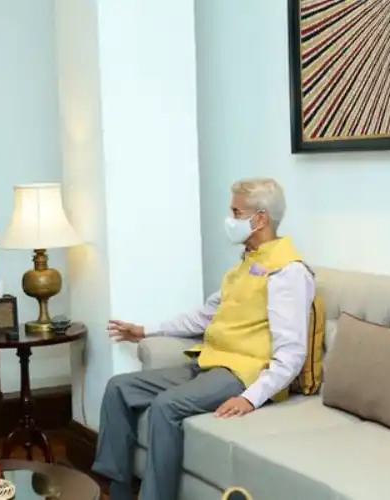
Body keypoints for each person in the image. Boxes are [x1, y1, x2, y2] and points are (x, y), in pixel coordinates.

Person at [92, 178, 316, 500]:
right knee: (119, 388)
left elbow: (292, 355)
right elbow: (204, 316)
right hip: (209, 360)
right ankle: (117, 491)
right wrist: (145, 329)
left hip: (242, 373)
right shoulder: (247, 263)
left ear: (260, 218)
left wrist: (251, 398)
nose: (230, 220)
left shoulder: (288, 273)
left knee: (165, 407)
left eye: (236, 212)